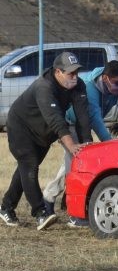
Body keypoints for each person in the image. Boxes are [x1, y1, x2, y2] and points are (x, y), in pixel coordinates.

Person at [42, 60, 118, 227]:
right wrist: (110, 145)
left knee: (72, 163)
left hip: (85, 125)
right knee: (77, 162)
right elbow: (95, 118)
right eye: (117, 82)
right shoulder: (90, 88)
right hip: (71, 124)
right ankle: (74, 215)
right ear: (105, 78)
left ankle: (49, 196)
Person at [0, 52, 92, 230]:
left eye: (77, 73)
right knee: (30, 166)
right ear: (58, 72)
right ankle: (40, 213)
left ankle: (6, 207)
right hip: (21, 127)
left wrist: (87, 142)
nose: (75, 77)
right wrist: (71, 145)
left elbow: (83, 116)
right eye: (70, 73)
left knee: (25, 169)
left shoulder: (78, 85)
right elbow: (56, 120)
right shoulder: (44, 86)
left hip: (43, 132)